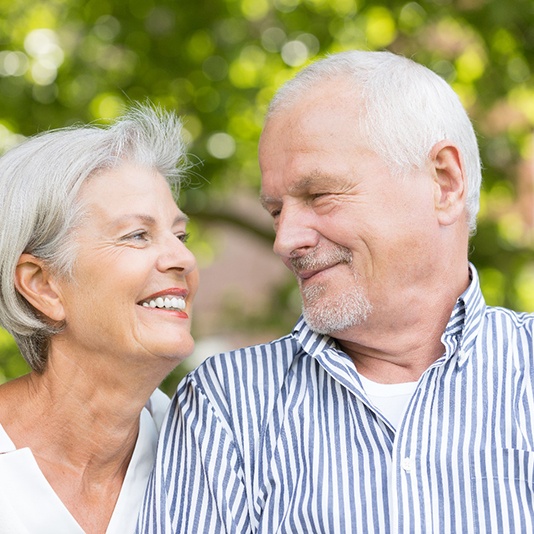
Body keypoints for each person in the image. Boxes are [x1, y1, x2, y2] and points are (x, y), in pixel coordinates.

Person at [138, 51, 534, 533]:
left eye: (319, 195)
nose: (285, 241)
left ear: (444, 183)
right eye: (276, 211)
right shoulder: (229, 406)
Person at [0, 104, 198, 533]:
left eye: (180, 235)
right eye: (137, 236)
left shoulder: (210, 449)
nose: (183, 257)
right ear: (43, 285)